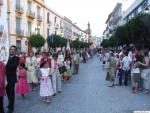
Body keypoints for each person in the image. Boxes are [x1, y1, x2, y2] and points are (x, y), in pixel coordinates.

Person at [6, 45, 19, 113]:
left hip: (12, 78)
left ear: (15, 51)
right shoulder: (5, 57)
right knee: (7, 91)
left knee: (11, 92)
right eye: (10, 49)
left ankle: (11, 108)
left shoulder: (17, 58)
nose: (11, 50)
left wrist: (6, 63)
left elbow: (12, 66)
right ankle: (10, 102)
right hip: (5, 77)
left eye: (13, 49)